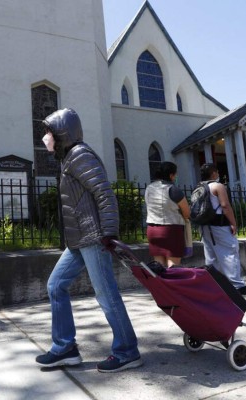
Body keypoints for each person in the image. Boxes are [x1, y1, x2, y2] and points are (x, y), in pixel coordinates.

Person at [35, 108, 142, 373]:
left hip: (93, 237)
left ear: (61, 132)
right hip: (79, 240)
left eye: (49, 132)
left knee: (105, 294)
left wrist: (108, 232)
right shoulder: (68, 158)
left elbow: (104, 193)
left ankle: (127, 351)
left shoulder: (79, 155)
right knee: (55, 285)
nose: (45, 138)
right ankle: (65, 348)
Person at [197, 163, 246, 295]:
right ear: (213, 173)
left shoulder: (199, 187)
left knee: (211, 256)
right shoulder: (218, 186)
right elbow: (225, 205)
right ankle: (238, 286)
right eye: (217, 172)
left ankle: (215, 284)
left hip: (205, 225)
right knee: (230, 253)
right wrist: (233, 223)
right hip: (219, 224)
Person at [145, 162, 191, 267]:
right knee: (173, 265)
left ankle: (159, 284)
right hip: (171, 229)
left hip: (152, 229)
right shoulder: (173, 189)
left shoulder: (149, 188)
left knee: (158, 265)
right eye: (175, 174)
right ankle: (173, 284)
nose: (176, 176)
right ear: (171, 175)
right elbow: (187, 212)